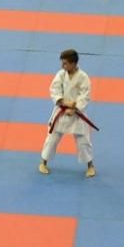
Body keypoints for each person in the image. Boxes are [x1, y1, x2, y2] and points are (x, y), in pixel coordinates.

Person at [39, 49, 96, 178]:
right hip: (61, 111)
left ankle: (90, 166)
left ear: (73, 63)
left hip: (76, 114)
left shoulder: (83, 77)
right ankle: (43, 162)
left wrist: (75, 108)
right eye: (62, 63)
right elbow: (54, 90)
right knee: (51, 138)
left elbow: (85, 96)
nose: (62, 66)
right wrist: (63, 102)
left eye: (65, 63)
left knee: (83, 141)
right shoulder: (61, 74)